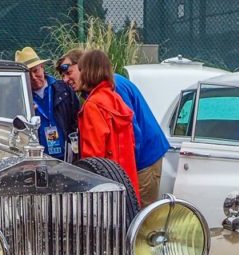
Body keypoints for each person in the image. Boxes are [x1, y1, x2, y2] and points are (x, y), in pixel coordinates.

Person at [58, 48, 170, 205]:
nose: (65, 79)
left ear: (85, 68)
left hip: (144, 161)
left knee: (140, 219)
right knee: (135, 216)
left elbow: (97, 153)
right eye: (63, 76)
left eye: (69, 72)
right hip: (128, 170)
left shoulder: (104, 96)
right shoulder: (107, 92)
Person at [75, 49, 141, 201]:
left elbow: (94, 155)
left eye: (81, 69)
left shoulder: (93, 105)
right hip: (127, 181)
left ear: (87, 72)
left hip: (106, 187)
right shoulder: (116, 99)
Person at [14, 46, 79, 161]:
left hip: (67, 158)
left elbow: (76, 121)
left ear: (42, 67)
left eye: (35, 71)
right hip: (37, 160)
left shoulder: (63, 89)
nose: (33, 77)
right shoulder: (19, 99)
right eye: (28, 74)